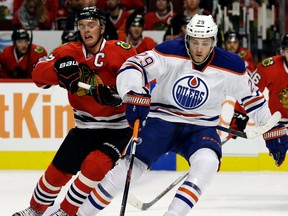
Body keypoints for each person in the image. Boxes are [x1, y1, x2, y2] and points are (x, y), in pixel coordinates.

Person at [76, 15, 288, 216]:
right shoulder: (169, 51)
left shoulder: (231, 65)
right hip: (161, 121)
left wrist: (271, 130)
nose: (199, 48)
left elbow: (253, 99)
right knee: (126, 171)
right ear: (187, 38)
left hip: (200, 128)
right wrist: (133, 93)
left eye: (205, 43)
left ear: (213, 41)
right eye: (194, 42)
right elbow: (133, 66)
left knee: (208, 163)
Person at [12, 6, 137, 216]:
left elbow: (141, 83)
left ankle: (66, 212)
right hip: (84, 126)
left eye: (91, 25)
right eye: (82, 25)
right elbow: (37, 75)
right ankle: (35, 209)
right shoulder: (68, 52)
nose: (86, 30)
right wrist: (58, 72)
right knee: (56, 173)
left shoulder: (122, 51)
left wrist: (119, 95)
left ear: (102, 27)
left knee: (95, 166)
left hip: (117, 128)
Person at [231, 33, 288, 133]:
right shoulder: (270, 67)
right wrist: (239, 114)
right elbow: (249, 91)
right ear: (284, 51)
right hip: (277, 124)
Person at [224, 30, 256, 139]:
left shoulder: (245, 54)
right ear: (224, 43)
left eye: (235, 42)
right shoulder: (219, 54)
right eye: (229, 42)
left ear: (239, 43)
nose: (232, 46)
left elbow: (251, 74)